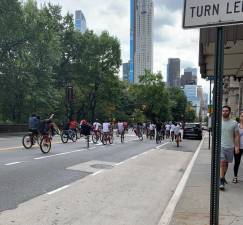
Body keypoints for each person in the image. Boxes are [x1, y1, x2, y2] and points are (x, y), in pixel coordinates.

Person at [220, 106, 240, 190]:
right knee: (222, 162)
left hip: (230, 147)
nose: (225, 112)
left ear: (229, 112)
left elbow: (236, 136)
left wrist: (237, 146)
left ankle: (223, 176)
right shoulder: (218, 122)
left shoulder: (234, 123)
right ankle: (221, 181)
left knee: (226, 163)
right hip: (220, 146)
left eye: (226, 111)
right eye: (223, 111)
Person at [233, 111, 243, 183]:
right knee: (237, 162)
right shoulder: (236, 126)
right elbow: (233, 137)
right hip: (237, 147)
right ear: (239, 117)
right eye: (242, 116)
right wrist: (236, 146)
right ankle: (235, 177)